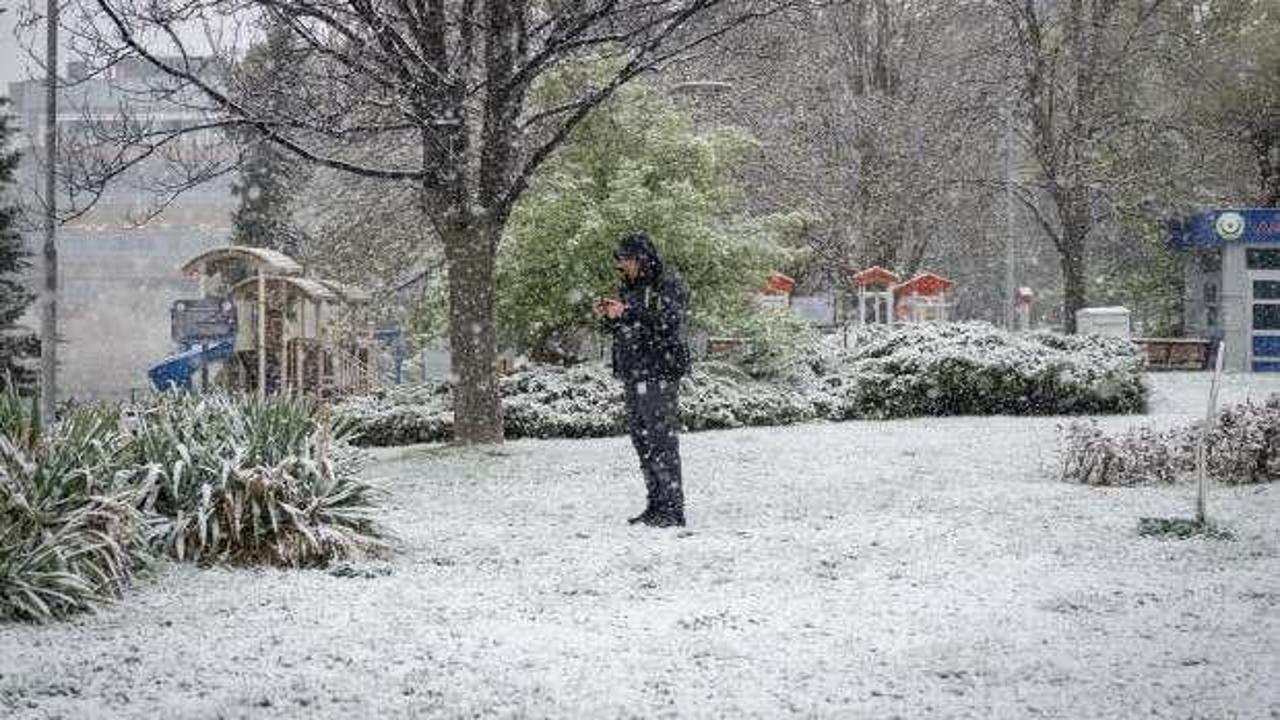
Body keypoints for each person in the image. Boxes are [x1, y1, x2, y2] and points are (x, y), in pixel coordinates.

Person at [594, 232, 690, 528]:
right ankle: (655, 504)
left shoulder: (667, 287)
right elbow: (629, 326)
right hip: (633, 374)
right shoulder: (629, 289)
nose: (622, 266)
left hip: (658, 373)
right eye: (620, 261)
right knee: (642, 441)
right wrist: (612, 316)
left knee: (661, 442)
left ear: (642, 258)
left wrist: (630, 312)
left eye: (626, 260)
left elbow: (668, 324)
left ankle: (672, 509)